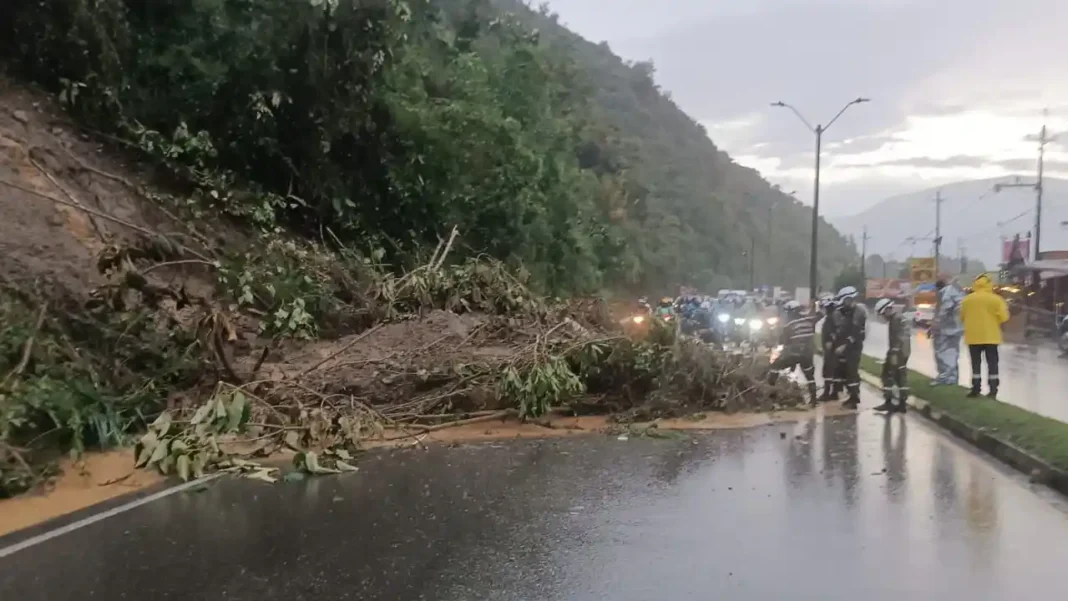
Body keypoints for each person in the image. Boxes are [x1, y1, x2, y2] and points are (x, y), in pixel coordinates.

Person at [960, 274, 1009, 398]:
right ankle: (993, 390)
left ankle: (975, 388)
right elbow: (1004, 317)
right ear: (989, 284)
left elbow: (961, 317)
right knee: (992, 363)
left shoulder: (967, 300)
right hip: (991, 336)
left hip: (973, 337)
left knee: (975, 364)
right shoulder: (996, 299)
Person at [767, 300, 818, 404]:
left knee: (775, 367)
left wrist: (780, 357)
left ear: (791, 312)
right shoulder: (809, 321)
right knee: (809, 375)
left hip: (794, 353)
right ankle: (814, 399)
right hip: (808, 354)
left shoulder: (789, 325)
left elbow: (785, 344)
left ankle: (771, 394)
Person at [872, 298, 909, 413]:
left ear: (887, 310)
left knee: (887, 376)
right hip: (904, 352)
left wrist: (893, 354)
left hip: (897, 352)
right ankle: (902, 404)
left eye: (882, 314)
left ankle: (889, 402)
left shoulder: (895, 320)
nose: (883, 316)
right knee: (900, 377)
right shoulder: (899, 318)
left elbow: (898, 338)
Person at [833, 286, 867, 409]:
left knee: (852, 372)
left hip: (854, 347)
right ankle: (850, 395)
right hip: (846, 347)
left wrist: (844, 345)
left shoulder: (858, 312)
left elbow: (856, 332)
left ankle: (854, 398)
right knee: (844, 371)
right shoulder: (846, 311)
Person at [931, 278, 964, 385]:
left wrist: (935, 325)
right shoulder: (958, 292)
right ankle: (952, 377)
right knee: (953, 353)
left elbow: (943, 310)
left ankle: (945, 377)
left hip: (946, 329)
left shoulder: (945, 294)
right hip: (957, 328)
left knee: (942, 353)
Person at [818, 296, 840, 402]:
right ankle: (834, 392)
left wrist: (830, 341)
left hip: (831, 349)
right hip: (833, 349)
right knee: (834, 371)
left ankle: (827, 393)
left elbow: (831, 333)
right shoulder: (833, 317)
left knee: (828, 371)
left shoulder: (831, 319)